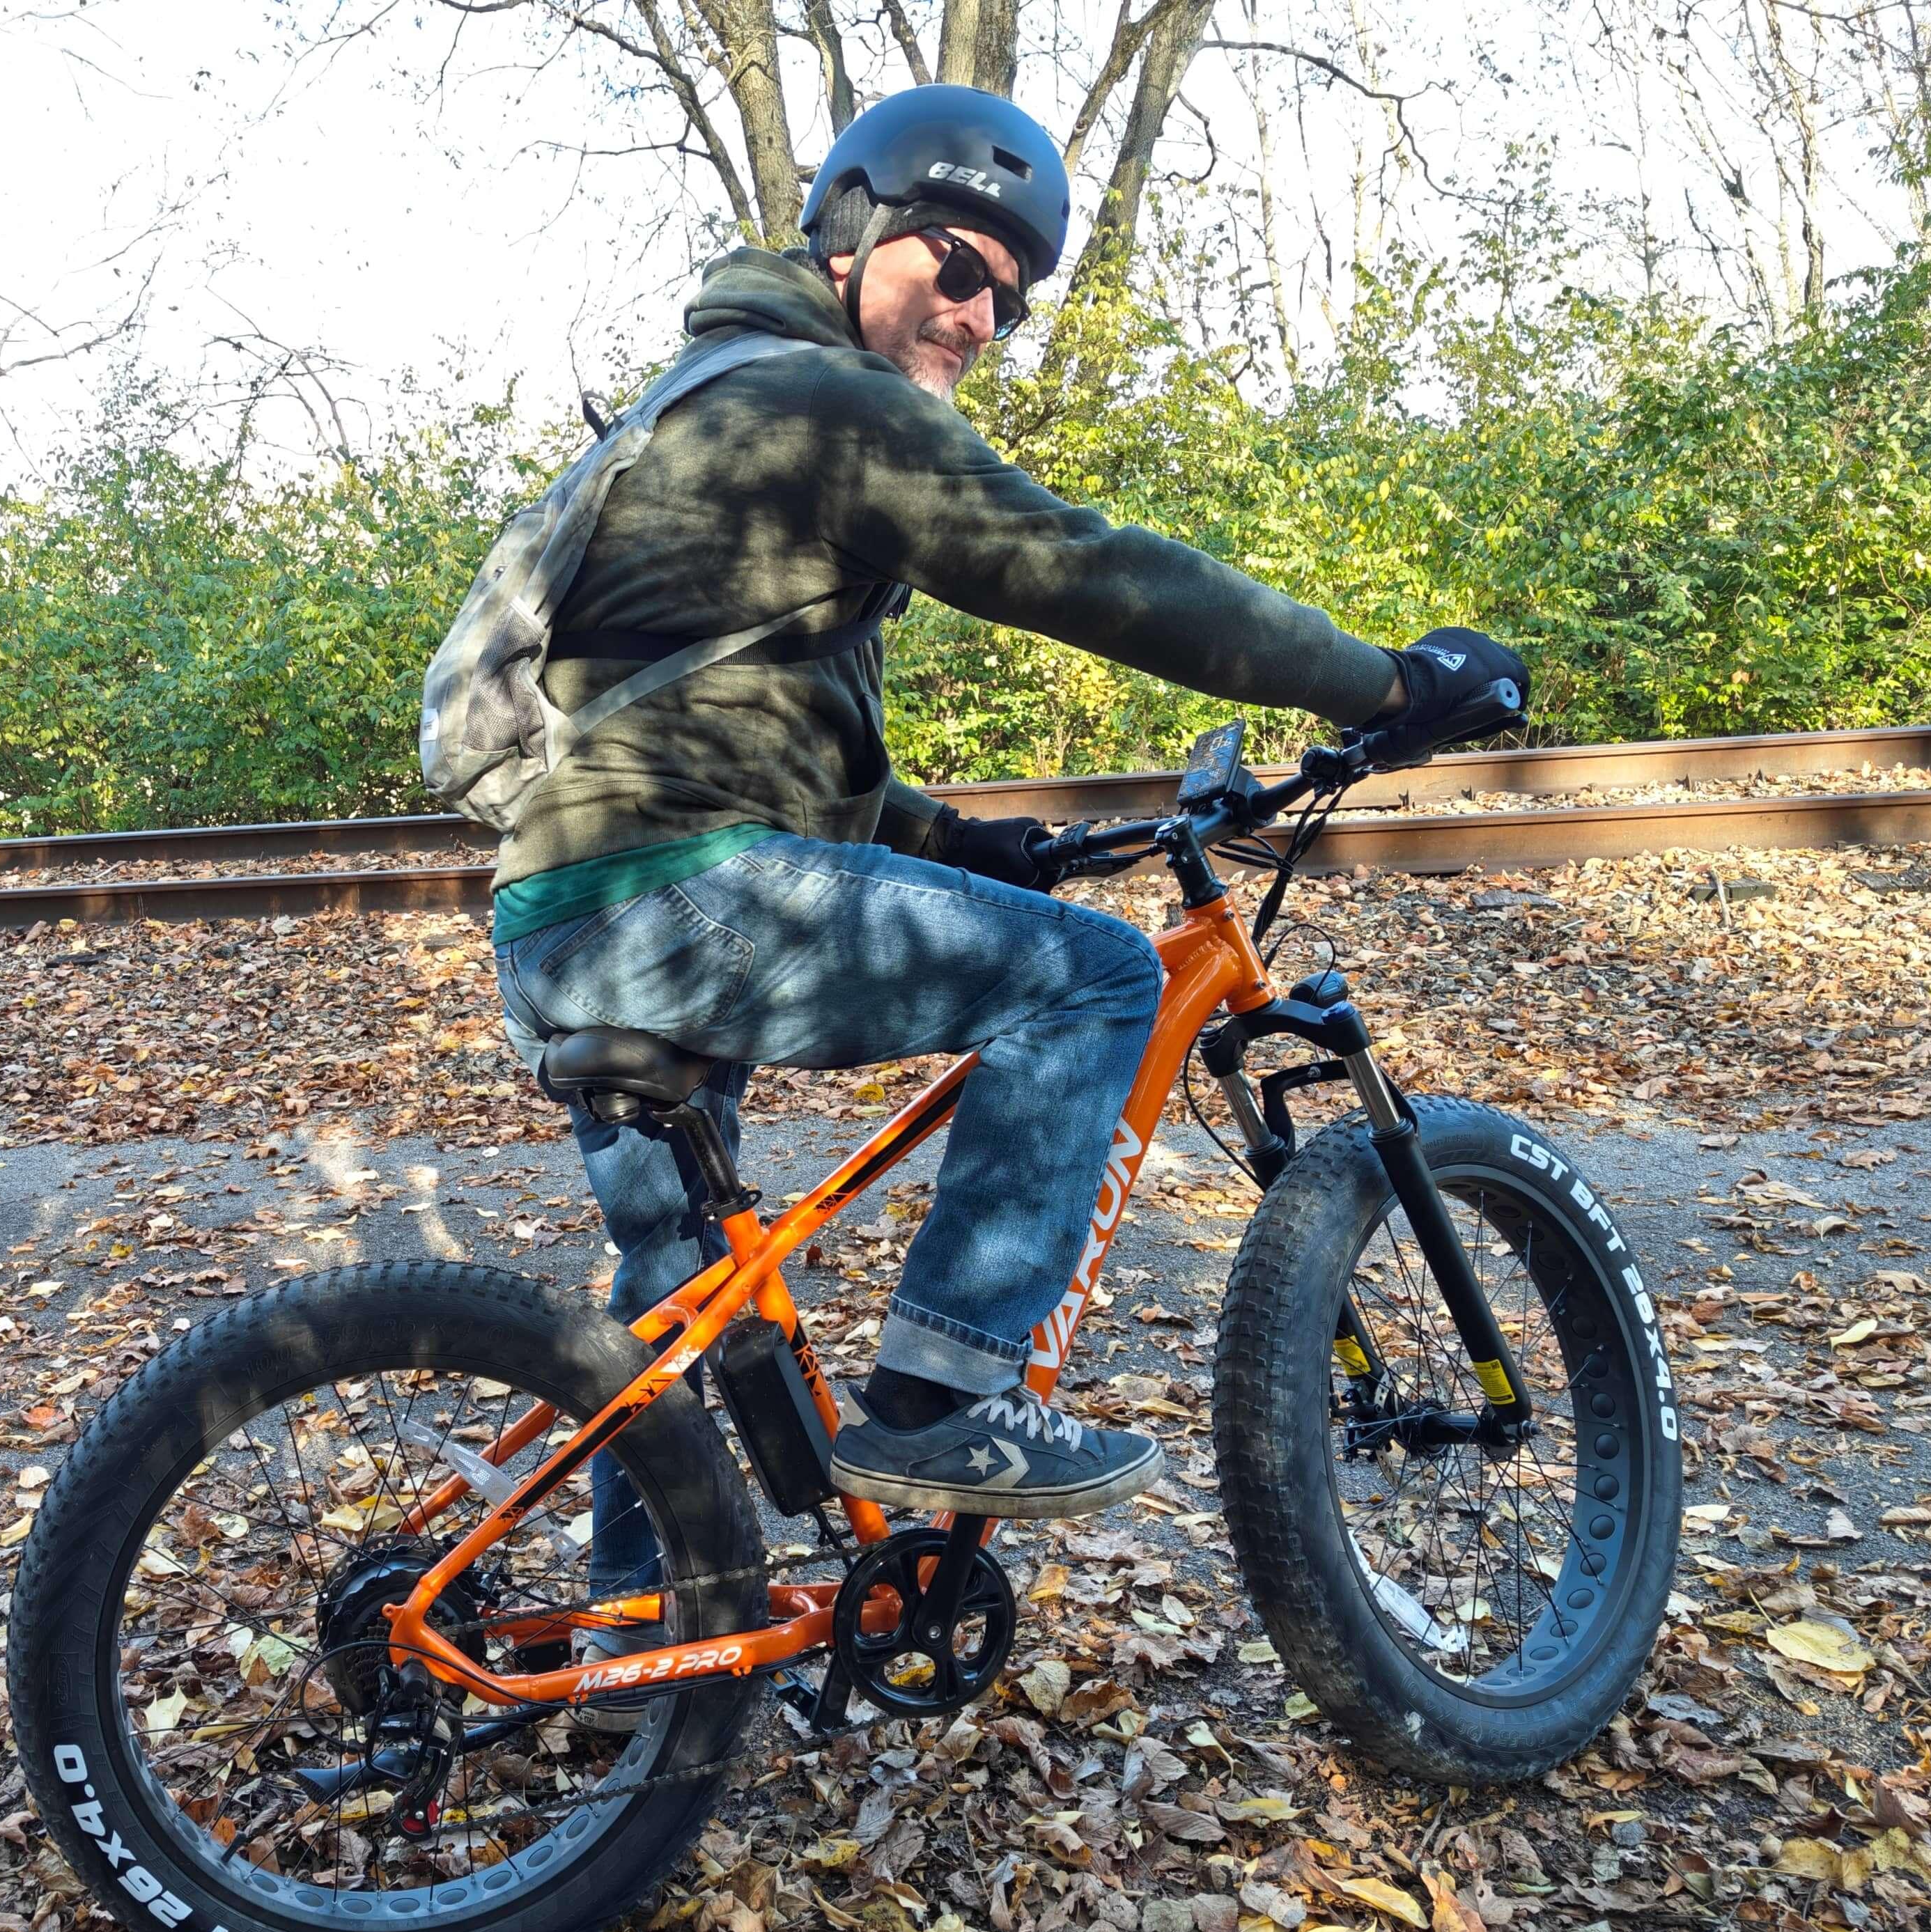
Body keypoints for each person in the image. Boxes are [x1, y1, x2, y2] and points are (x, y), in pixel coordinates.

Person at [483, 84, 1528, 1630]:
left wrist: (958, 842)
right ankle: (946, 1388)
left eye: (1008, 297)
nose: (978, 313)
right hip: (675, 891)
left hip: (574, 905)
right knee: (1096, 979)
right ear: (851, 233)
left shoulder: (708, 410)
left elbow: (742, 723)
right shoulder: (814, 405)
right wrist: (1376, 683)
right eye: (954, 264)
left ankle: (636, 1656)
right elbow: (1085, 573)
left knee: (680, 1319)